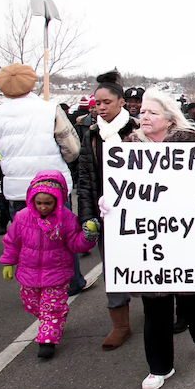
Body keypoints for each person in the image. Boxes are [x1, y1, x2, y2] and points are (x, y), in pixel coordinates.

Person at [107, 88, 195, 389]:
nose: (144, 116)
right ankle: (159, 366)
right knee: (155, 308)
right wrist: (109, 204)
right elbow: (117, 188)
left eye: (152, 112)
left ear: (168, 116)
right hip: (148, 243)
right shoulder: (128, 147)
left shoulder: (193, 143)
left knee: (193, 299)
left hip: (188, 238)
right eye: (143, 112)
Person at [0, 64, 86, 293]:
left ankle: (34, 284)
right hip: (52, 183)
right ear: (32, 83)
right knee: (63, 235)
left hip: (16, 186)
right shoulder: (49, 109)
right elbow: (71, 147)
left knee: (27, 239)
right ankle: (72, 282)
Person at [0, 170, 99, 359]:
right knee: (34, 305)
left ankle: (47, 340)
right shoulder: (22, 217)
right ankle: (49, 322)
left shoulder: (66, 219)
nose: (43, 207)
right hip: (29, 274)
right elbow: (12, 241)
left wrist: (88, 236)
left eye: (48, 203)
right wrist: (8, 262)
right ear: (32, 199)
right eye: (39, 203)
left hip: (57, 274)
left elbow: (75, 244)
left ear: (58, 200)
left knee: (52, 308)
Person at [75, 71, 141, 351]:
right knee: (113, 266)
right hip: (107, 212)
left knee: (144, 261)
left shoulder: (138, 131)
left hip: (140, 211)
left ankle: (158, 310)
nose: (100, 107)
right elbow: (86, 178)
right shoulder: (91, 135)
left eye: (106, 102)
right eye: (97, 103)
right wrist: (88, 215)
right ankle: (120, 325)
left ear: (121, 103)